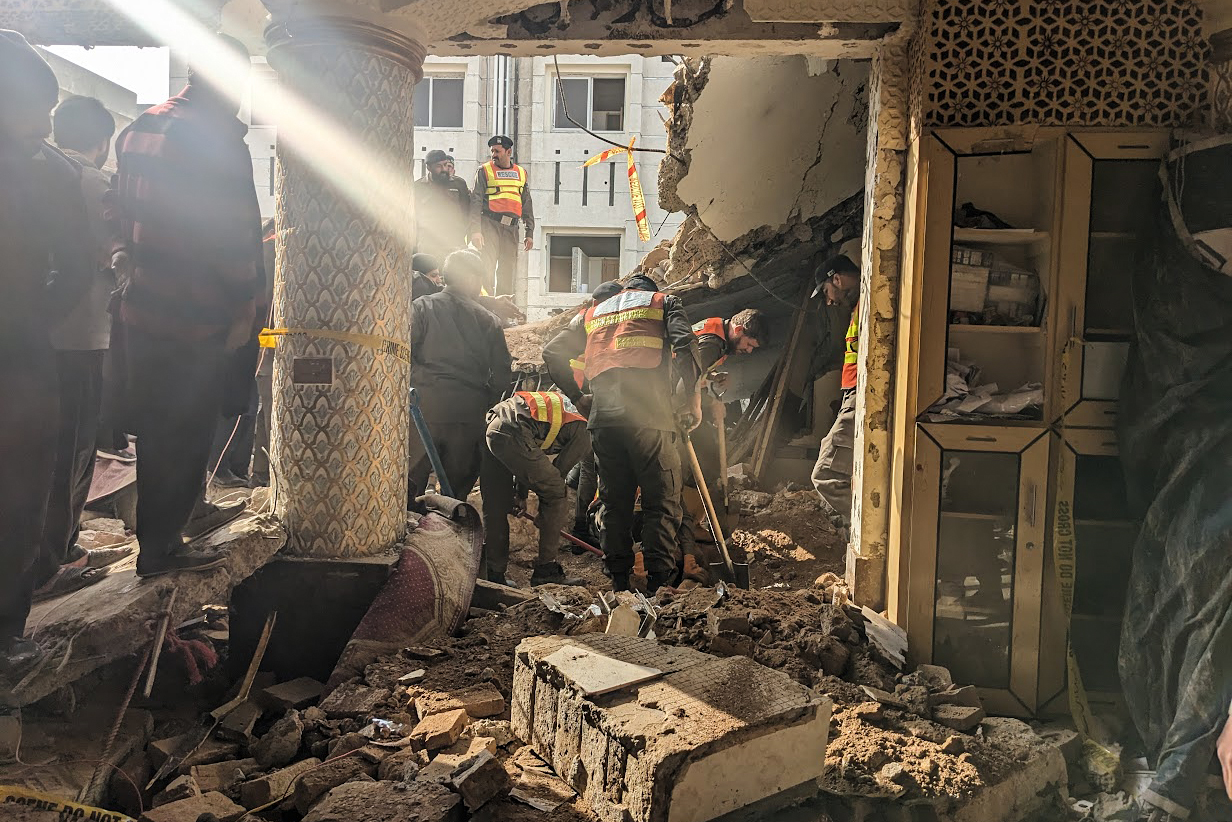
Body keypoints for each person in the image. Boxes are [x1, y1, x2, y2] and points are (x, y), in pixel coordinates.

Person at [108, 34, 266, 577]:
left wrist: (121, 252)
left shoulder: (140, 128)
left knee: (157, 426)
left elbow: (116, 206)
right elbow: (232, 232)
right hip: (194, 313)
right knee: (187, 424)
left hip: (142, 310)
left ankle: (167, 529)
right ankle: (163, 548)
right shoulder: (215, 141)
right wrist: (245, 305)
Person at [0, 30, 94, 673]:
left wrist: (31, 318)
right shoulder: (46, 169)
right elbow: (80, 265)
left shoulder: (48, 170)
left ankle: (7, 632)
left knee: (21, 496)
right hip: (23, 348)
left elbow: (77, 263)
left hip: (22, 349)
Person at [543, 274, 702, 594]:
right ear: (650, 292)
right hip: (651, 417)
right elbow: (687, 345)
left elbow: (551, 351)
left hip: (604, 422)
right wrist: (690, 401)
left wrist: (578, 396)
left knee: (615, 502)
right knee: (662, 500)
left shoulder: (594, 313)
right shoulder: (662, 303)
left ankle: (618, 582)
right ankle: (659, 586)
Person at [31, 95, 129, 600]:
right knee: (70, 452)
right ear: (105, 140)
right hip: (78, 336)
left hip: (35, 337)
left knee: (46, 451)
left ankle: (57, 550)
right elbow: (110, 253)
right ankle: (54, 560)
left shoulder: (36, 170)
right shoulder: (91, 183)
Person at [408, 249, 513, 503]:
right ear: (470, 278)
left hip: (422, 413)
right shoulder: (488, 320)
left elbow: (403, 354)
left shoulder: (421, 307)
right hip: (467, 417)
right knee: (455, 498)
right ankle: (451, 540)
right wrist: (484, 402)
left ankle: (413, 540)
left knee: (408, 490)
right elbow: (502, 376)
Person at [675, 308, 768, 575]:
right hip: (672, 407)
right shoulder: (711, 343)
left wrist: (712, 379)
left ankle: (694, 521)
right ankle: (686, 524)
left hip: (682, 403)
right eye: (749, 344)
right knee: (689, 464)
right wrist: (711, 402)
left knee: (710, 458)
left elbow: (697, 373)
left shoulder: (718, 340)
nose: (749, 351)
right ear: (738, 330)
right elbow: (686, 379)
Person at [480, 390, 590, 587]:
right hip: (513, 433)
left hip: (493, 428)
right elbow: (557, 477)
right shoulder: (584, 430)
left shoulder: (564, 404)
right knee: (557, 494)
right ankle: (546, 570)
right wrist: (546, 514)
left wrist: (521, 495)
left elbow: (531, 450)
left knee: (495, 504)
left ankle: (493, 575)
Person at [809, 254, 861, 537]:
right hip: (854, 397)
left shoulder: (868, 305)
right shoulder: (860, 309)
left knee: (824, 475)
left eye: (827, 292)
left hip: (858, 398)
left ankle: (869, 531)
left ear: (837, 279)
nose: (830, 300)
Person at [470, 135, 534, 298]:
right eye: (492, 151)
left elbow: (526, 202)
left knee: (508, 269)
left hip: (511, 228)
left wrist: (529, 232)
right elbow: (475, 201)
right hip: (489, 224)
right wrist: (475, 231)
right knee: (487, 267)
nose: (494, 154)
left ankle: (503, 308)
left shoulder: (521, 172)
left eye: (497, 151)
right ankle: (486, 305)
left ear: (508, 151)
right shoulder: (484, 170)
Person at [413, 149, 471, 260]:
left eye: (445, 164)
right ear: (429, 168)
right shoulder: (418, 187)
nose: (444, 169)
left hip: (454, 239)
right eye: (438, 166)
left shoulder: (459, 184)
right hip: (429, 242)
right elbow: (415, 215)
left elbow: (466, 211)